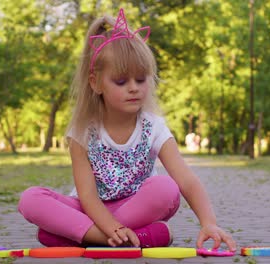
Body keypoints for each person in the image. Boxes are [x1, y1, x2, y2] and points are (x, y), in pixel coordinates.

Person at [18, 8, 236, 251]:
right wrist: (110, 228)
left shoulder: (153, 127)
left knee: (166, 189)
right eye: (121, 81)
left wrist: (209, 223)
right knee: (31, 199)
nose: (134, 88)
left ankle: (77, 235)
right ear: (96, 83)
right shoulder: (81, 132)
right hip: (92, 209)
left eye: (141, 80)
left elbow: (186, 180)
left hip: (137, 208)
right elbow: (88, 197)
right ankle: (129, 239)